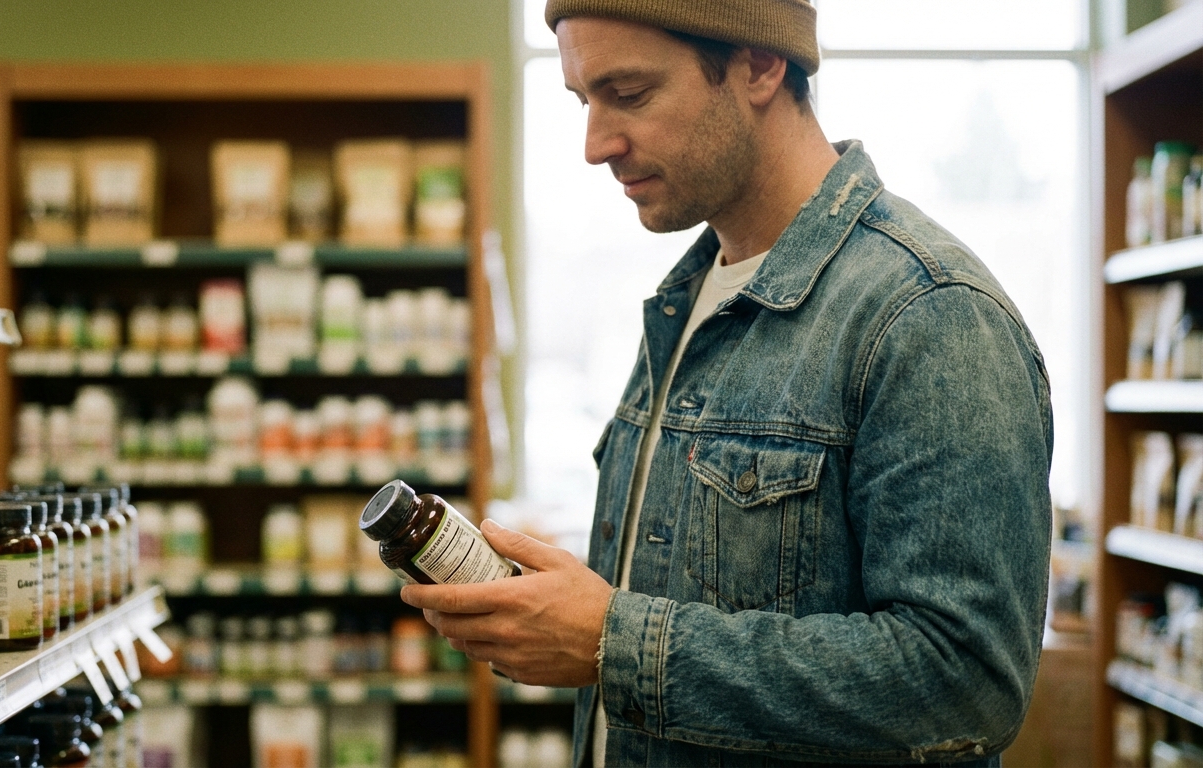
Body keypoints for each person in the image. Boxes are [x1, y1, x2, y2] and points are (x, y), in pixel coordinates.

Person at [400, 0, 1053, 765]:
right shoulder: (690, 299)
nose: (594, 144)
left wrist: (615, 641)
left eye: (631, 94)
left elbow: (964, 682)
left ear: (760, 63)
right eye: (584, 100)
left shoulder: (928, 316)